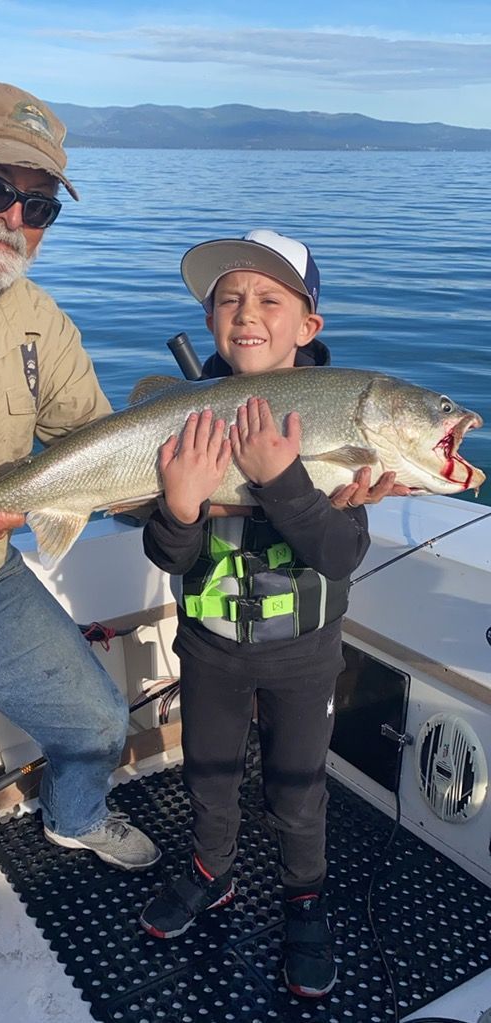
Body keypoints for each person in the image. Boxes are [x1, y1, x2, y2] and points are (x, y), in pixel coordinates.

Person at [139, 230, 407, 996]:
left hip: (304, 652)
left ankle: (303, 896)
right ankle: (210, 871)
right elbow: (171, 556)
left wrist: (283, 479)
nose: (245, 313)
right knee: (209, 778)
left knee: (297, 787)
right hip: (209, 645)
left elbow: (339, 553)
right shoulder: (189, 418)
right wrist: (183, 506)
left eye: (268, 299)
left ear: (307, 325)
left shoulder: (342, 427)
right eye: (228, 299)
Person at [0, 82, 159, 873]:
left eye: (40, 207)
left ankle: (75, 815)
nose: (12, 220)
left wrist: (228, 477)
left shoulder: (40, 323)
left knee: (99, 720)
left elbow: (103, 449)